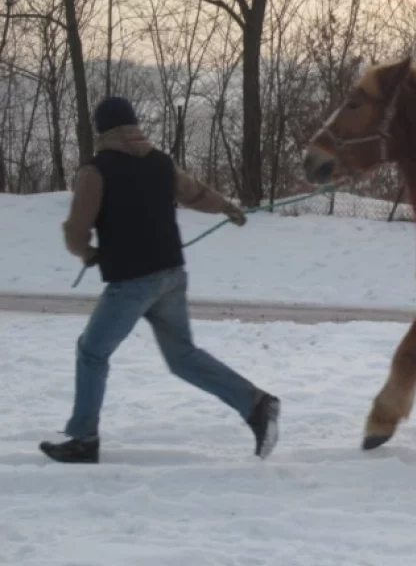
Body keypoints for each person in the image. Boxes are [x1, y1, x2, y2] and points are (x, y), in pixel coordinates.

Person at [39, 96, 280, 464]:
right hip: (171, 275)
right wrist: (227, 206)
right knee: (182, 356)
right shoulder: (161, 162)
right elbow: (196, 192)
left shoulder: (96, 171)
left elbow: (75, 231)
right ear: (134, 125)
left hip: (130, 283)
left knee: (91, 353)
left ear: (101, 130)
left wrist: (87, 253)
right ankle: (256, 404)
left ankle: (84, 439)